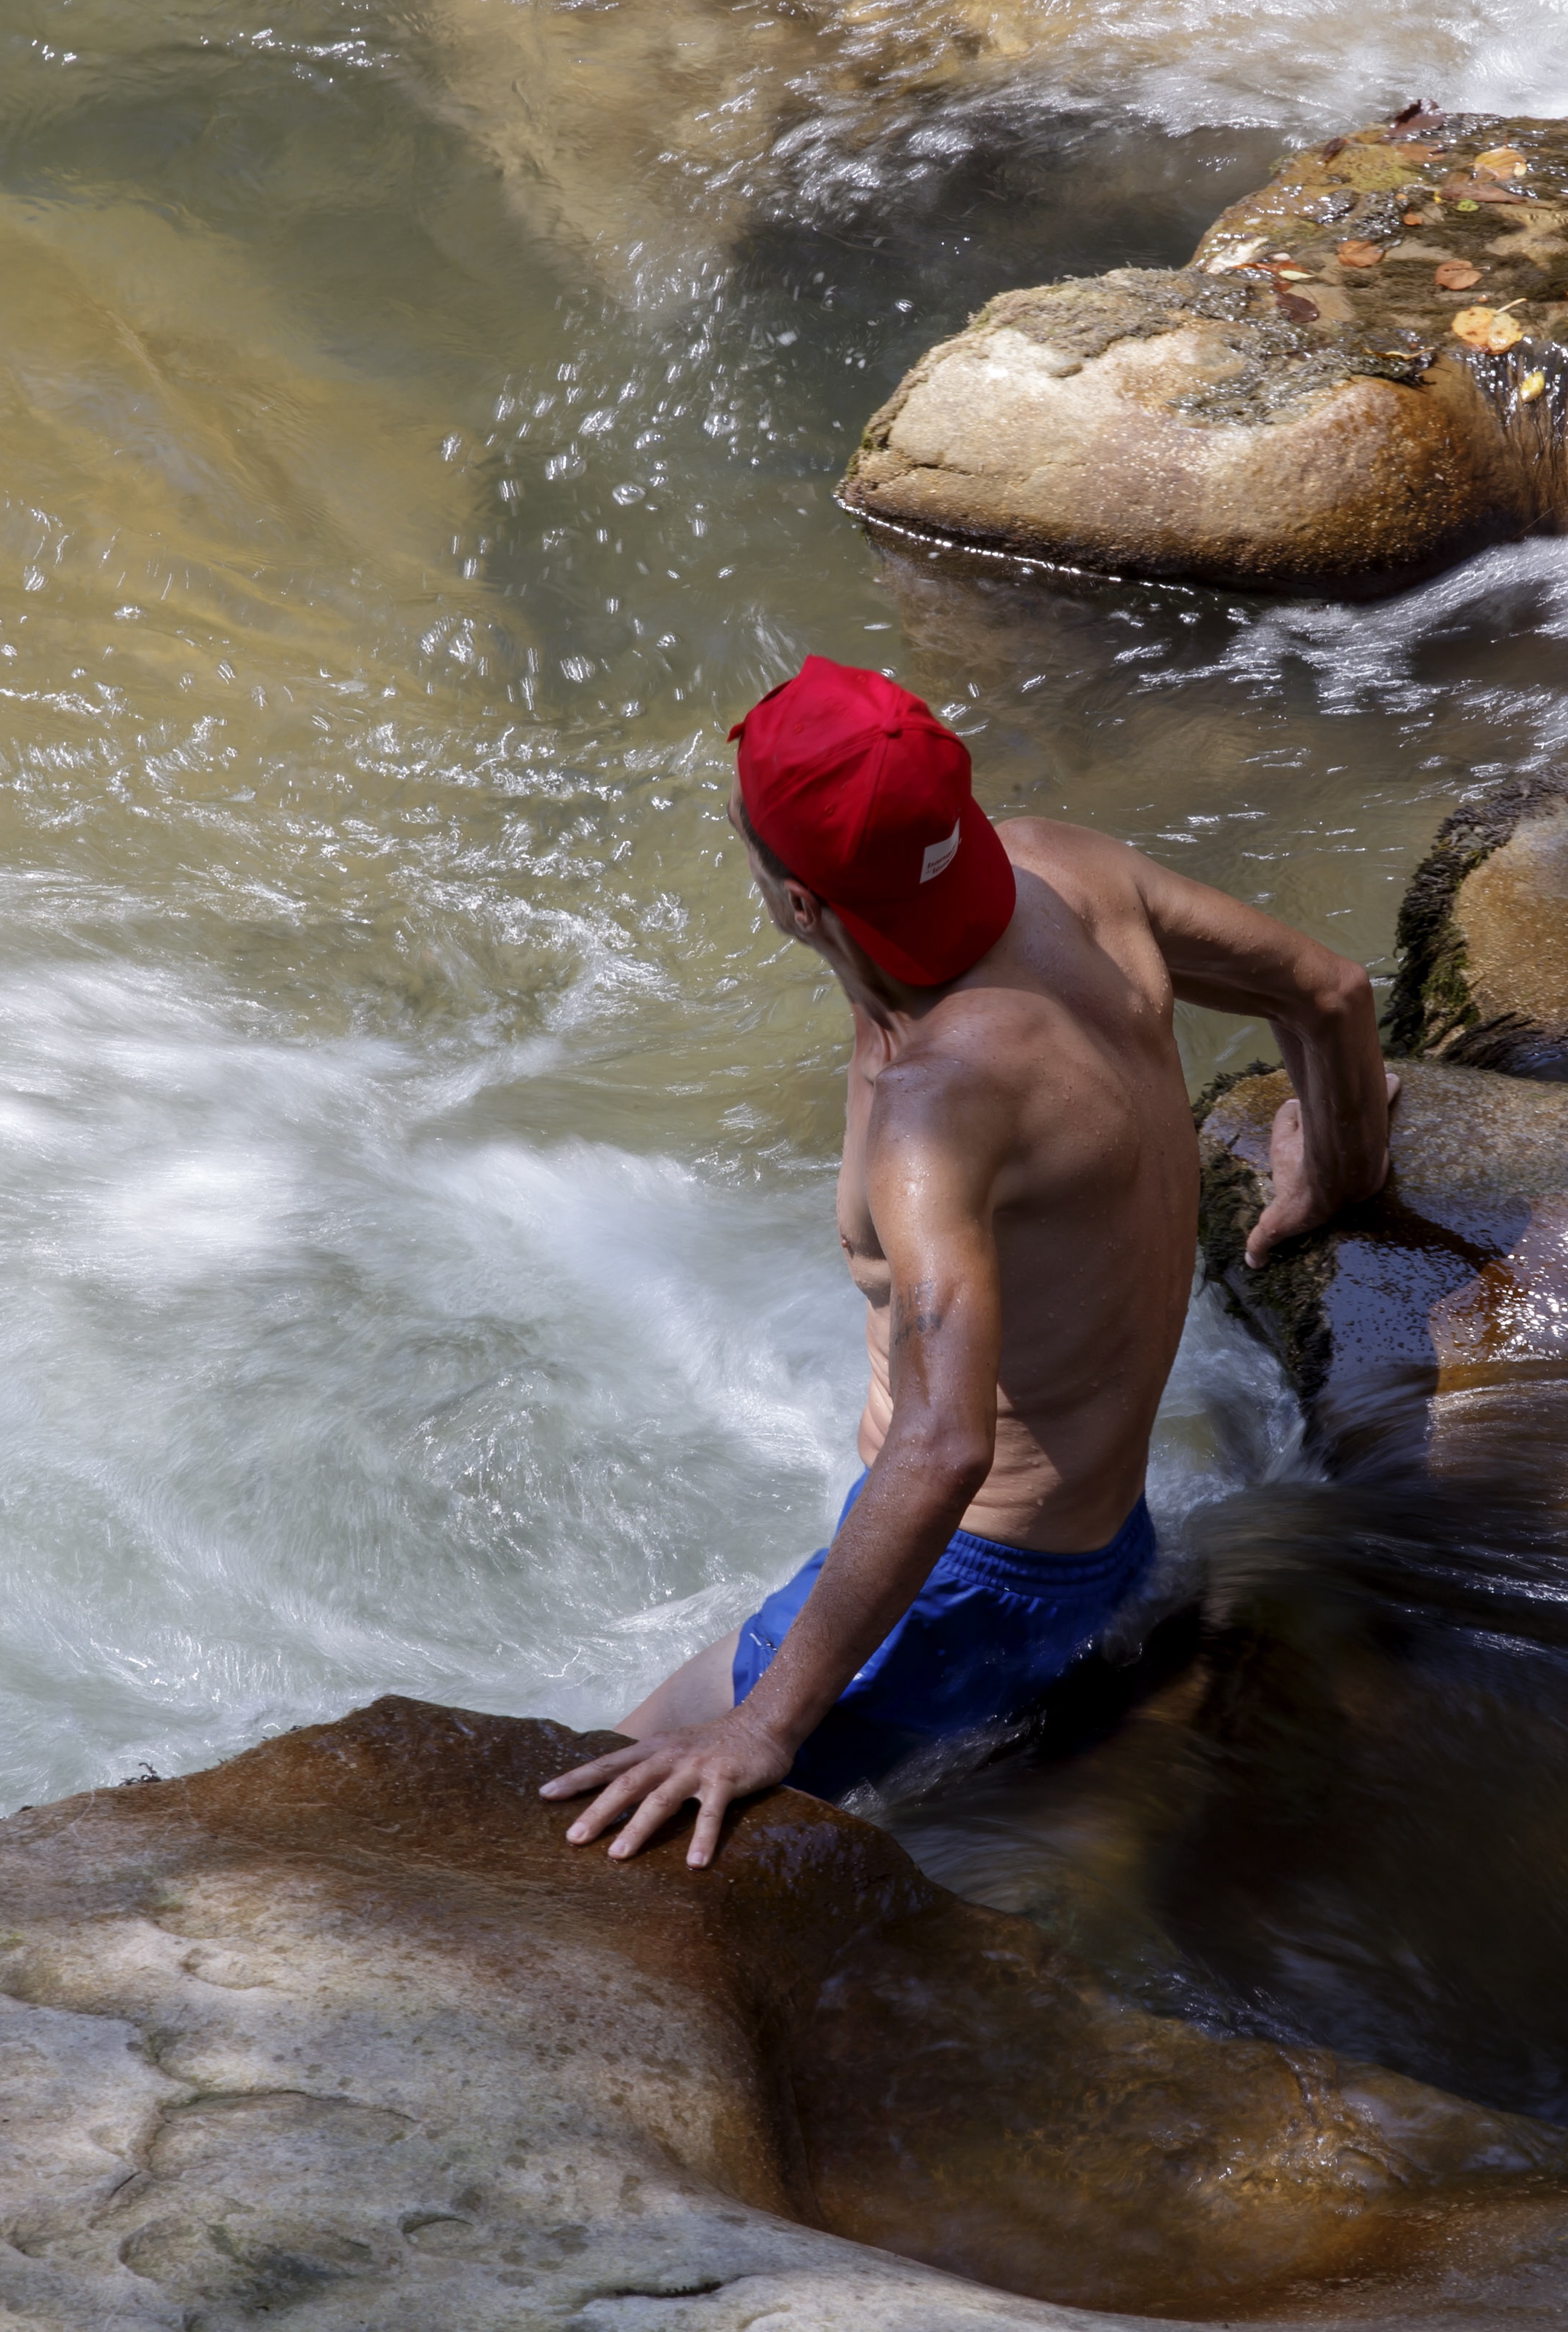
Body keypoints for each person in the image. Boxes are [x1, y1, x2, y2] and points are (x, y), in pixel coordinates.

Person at [540, 655, 1397, 1867]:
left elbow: (945, 1442)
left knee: (562, 1839)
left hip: (962, 1597)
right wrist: (1338, 1176)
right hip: (1106, 1553)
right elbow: (1331, 991)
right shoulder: (1076, 872)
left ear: (797, 906)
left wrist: (760, 1730)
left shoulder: (935, 1104)